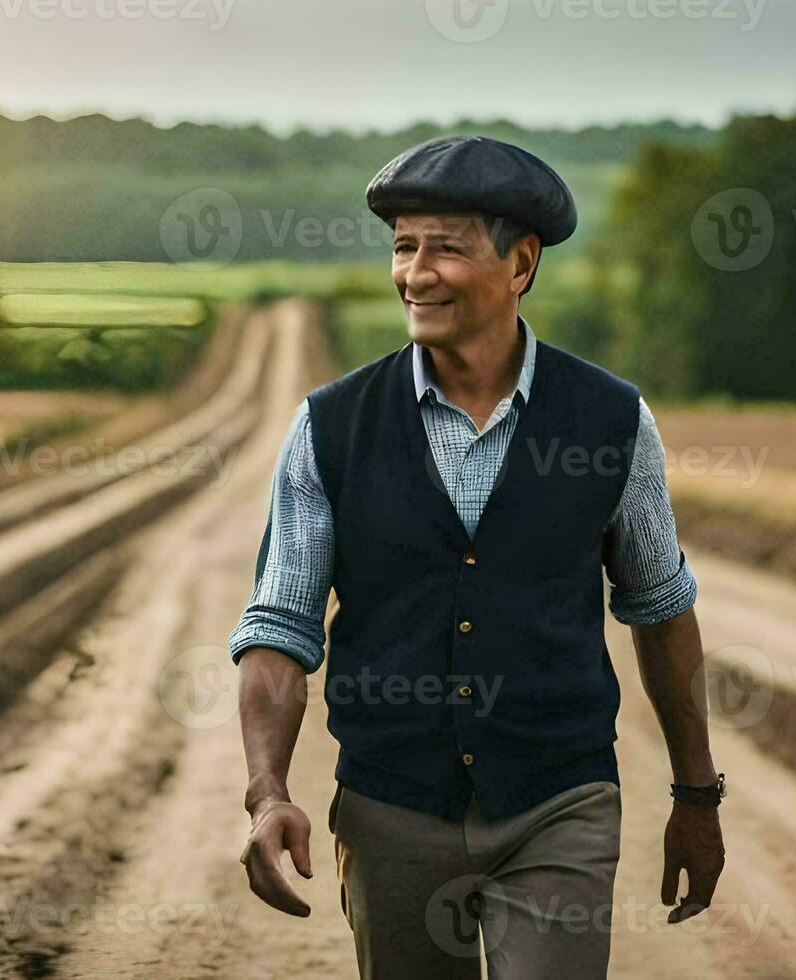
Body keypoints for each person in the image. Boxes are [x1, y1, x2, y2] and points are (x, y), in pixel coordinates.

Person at [229, 135, 726, 979]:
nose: (414, 273)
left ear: (521, 263)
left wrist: (696, 797)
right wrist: (268, 790)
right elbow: (280, 624)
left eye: (446, 248)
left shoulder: (611, 423)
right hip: (392, 810)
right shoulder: (329, 428)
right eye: (403, 246)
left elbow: (660, 609)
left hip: (559, 805)